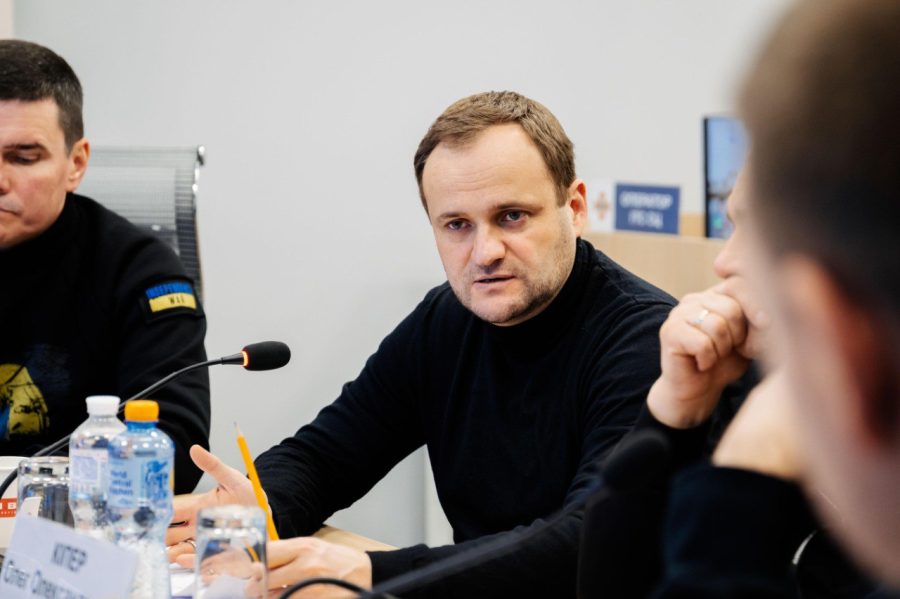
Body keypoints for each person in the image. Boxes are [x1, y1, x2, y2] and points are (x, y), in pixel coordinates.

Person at [167, 91, 675, 597]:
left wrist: (367, 572)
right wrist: (263, 506)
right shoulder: (445, 320)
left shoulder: (644, 339)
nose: (485, 252)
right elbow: (326, 455)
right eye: (457, 225)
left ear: (575, 207)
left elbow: (586, 543)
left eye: (512, 216)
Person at [649, 0, 900, 595]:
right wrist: (672, 418)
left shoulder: (781, 409)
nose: (724, 262)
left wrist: (738, 489)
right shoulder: (737, 377)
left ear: (839, 341)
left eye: (753, 231)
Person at [0, 40, 211, 493]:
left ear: (75, 164)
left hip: (71, 524)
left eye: (22, 158)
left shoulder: (141, 271)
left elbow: (173, 450)